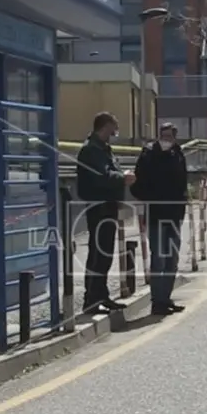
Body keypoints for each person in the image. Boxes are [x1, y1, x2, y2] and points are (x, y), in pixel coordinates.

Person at [77, 112, 135, 315]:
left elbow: (110, 170)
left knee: (106, 254)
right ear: (104, 127)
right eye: (113, 128)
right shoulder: (91, 150)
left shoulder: (103, 149)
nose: (115, 133)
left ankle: (102, 296)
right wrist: (122, 178)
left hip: (108, 206)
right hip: (98, 208)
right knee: (98, 254)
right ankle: (91, 300)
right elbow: (102, 176)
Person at [131, 123, 189, 316]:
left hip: (174, 215)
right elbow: (136, 185)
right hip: (156, 215)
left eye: (169, 136)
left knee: (172, 259)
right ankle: (158, 302)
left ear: (174, 137)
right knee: (159, 259)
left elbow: (182, 182)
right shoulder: (148, 155)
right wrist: (151, 199)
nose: (166, 140)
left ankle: (166, 298)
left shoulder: (177, 154)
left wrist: (182, 203)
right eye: (163, 136)